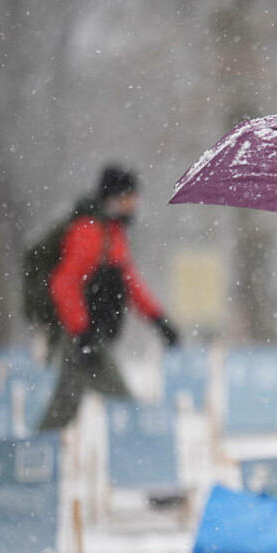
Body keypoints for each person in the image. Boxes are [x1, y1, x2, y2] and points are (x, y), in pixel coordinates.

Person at [39, 165, 180, 430]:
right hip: (84, 335)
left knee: (63, 406)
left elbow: (129, 282)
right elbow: (64, 285)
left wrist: (159, 320)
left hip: (91, 334)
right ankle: (140, 451)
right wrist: (81, 334)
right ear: (114, 198)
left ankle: (32, 453)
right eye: (130, 197)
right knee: (123, 402)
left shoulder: (112, 233)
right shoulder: (89, 232)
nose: (135, 204)